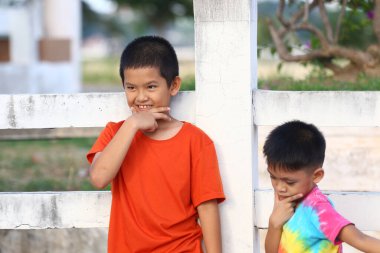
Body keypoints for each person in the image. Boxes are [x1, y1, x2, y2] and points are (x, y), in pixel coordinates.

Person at [86, 36, 225, 253]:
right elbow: (98, 177)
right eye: (131, 88)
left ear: (173, 85)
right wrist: (132, 124)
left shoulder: (196, 141)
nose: (141, 97)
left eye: (151, 87)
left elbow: (207, 208)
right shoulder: (116, 133)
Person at [263, 120, 380, 253]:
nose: (279, 188)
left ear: (316, 176)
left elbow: (360, 239)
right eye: (273, 177)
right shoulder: (284, 202)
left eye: (289, 182)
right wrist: (274, 224)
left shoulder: (318, 209)